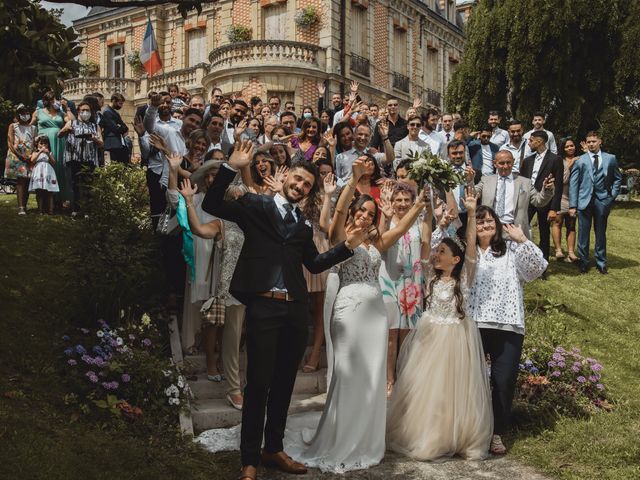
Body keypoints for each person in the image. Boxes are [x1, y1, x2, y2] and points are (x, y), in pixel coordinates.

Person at [201, 141, 365, 480]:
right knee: (258, 385)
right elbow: (212, 202)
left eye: (307, 185)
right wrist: (231, 168)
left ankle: (272, 448)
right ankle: (249, 459)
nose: (301, 186)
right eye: (298, 180)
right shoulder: (256, 205)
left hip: (295, 313)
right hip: (263, 307)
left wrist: (347, 246)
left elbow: (316, 264)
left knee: (284, 384)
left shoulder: (304, 226)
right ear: (286, 176)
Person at [285, 158, 429, 473]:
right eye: (360, 211)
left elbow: (403, 226)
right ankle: (339, 438)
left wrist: (420, 203)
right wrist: (353, 182)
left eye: (370, 212)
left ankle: (365, 439)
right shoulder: (340, 234)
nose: (365, 215)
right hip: (348, 311)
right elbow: (337, 212)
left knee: (370, 376)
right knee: (348, 375)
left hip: (375, 314)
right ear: (352, 212)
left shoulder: (377, 241)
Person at [387, 186, 492, 461]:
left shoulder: (464, 277)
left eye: (442, 251)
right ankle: (427, 434)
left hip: (456, 338)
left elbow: (470, 245)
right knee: (425, 388)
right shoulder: (431, 276)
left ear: (456, 260)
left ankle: (454, 435)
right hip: (429, 335)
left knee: (452, 389)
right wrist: (425, 209)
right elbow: (424, 240)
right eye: (438, 250)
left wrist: (470, 213)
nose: (437, 254)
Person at [469, 205, 548, 454]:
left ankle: (497, 433)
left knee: (503, 382)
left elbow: (537, 269)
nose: (485, 226)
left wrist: (522, 239)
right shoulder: (467, 251)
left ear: (498, 224)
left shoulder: (511, 250)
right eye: (479, 222)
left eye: (489, 221)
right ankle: (471, 430)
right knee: (472, 381)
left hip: (509, 325)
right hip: (474, 324)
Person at [377, 182, 426, 396]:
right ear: (391, 201)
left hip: (412, 280)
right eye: (398, 199)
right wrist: (385, 217)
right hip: (388, 278)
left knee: (407, 333)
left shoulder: (420, 221)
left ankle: (404, 376)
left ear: (413, 202)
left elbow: (426, 246)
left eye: (407, 200)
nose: (402, 204)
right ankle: (389, 378)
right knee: (390, 333)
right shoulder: (386, 218)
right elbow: (378, 242)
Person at [569, 131, 622, 274]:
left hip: (602, 201)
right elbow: (574, 184)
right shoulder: (580, 160)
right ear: (586, 143)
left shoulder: (610, 158)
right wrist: (573, 205)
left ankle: (601, 262)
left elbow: (618, 178)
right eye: (588, 142)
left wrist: (612, 196)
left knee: (600, 233)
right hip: (584, 201)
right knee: (583, 234)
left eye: (593, 141)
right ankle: (583, 262)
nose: (591, 144)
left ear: (600, 142)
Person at [475, 150, 554, 239]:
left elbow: (538, 201)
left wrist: (547, 189)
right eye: (501, 163)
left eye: (508, 162)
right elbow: (473, 194)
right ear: (494, 163)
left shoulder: (525, 182)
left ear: (513, 161)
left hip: (515, 230)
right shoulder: (486, 181)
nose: (505, 166)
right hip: (491, 229)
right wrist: (469, 181)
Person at [520, 130, 563, 266]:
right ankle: (523, 261)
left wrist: (554, 209)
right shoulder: (527, 161)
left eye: (531, 140)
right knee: (521, 229)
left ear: (540, 141)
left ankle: (542, 265)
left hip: (546, 201)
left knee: (544, 233)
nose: (529, 143)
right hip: (528, 200)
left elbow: (559, 185)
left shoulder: (555, 159)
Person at [58, 101, 103, 215]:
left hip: (89, 159)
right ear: (78, 112)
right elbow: (59, 134)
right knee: (73, 184)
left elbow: (101, 143)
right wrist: (66, 130)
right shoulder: (71, 123)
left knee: (88, 185)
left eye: (87, 110)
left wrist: (94, 139)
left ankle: (87, 210)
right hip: (73, 158)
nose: (85, 112)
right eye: (83, 110)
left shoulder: (95, 126)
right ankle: (75, 209)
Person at [35, 91, 70, 205]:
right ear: (48, 100)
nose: (56, 102)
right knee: (45, 168)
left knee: (58, 166)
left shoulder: (61, 112)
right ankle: (44, 199)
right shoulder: (38, 112)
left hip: (59, 142)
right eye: (54, 99)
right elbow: (30, 125)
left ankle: (58, 199)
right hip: (44, 143)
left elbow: (71, 121)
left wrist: (66, 108)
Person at [4, 104, 37, 214]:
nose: (25, 115)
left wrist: (32, 155)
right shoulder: (13, 126)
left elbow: (35, 143)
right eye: (23, 113)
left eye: (27, 113)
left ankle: (25, 205)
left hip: (29, 156)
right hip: (17, 156)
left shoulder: (33, 128)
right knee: (20, 181)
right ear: (18, 115)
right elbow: (10, 142)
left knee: (27, 181)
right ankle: (21, 207)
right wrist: (19, 155)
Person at [552, 137, 579, 262]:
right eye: (567, 146)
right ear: (562, 148)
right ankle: (558, 250)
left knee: (571, 225)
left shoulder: (580, 159)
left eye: (572, 145)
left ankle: (571, 252)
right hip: (561, 196)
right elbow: (561, 180)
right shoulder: (559, 161)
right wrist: (571, 163)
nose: (570, 148)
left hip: (574, 197)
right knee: (558, 222)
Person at [29, 136, 59, 214]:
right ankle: (40, 210)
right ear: (37, 144)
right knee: (39, 191)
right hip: (38, 172)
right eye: (41, 143)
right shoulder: (35, 152)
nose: (43, 145)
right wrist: (39, 152)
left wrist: (48, 153)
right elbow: (32, 160)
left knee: (50, 192)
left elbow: (53, 162)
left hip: (48, 172)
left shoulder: (49, 153)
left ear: (48, 145)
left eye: (45, 143)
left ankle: (51, 210)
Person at [102, 93, 130, 163]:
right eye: (120, 103)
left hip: (118, 143)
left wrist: (120, 126)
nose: (121, 106)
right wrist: (119, 127)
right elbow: (115, 128)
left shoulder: (115, 113)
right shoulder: (107, 112)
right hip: (112, 144)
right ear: (114, 101)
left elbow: (125, 127)